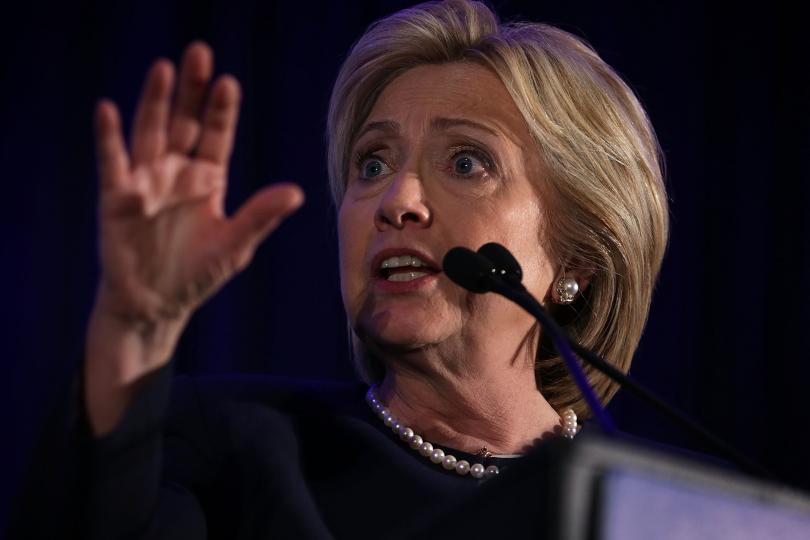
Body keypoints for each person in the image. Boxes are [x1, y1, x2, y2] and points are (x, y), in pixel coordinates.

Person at [8, 0, 668, 538]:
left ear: (577, 259)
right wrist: (135, 325)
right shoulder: (233, 448)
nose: (396, 202)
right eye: (372, 164)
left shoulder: (661, 514)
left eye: (466, 162)